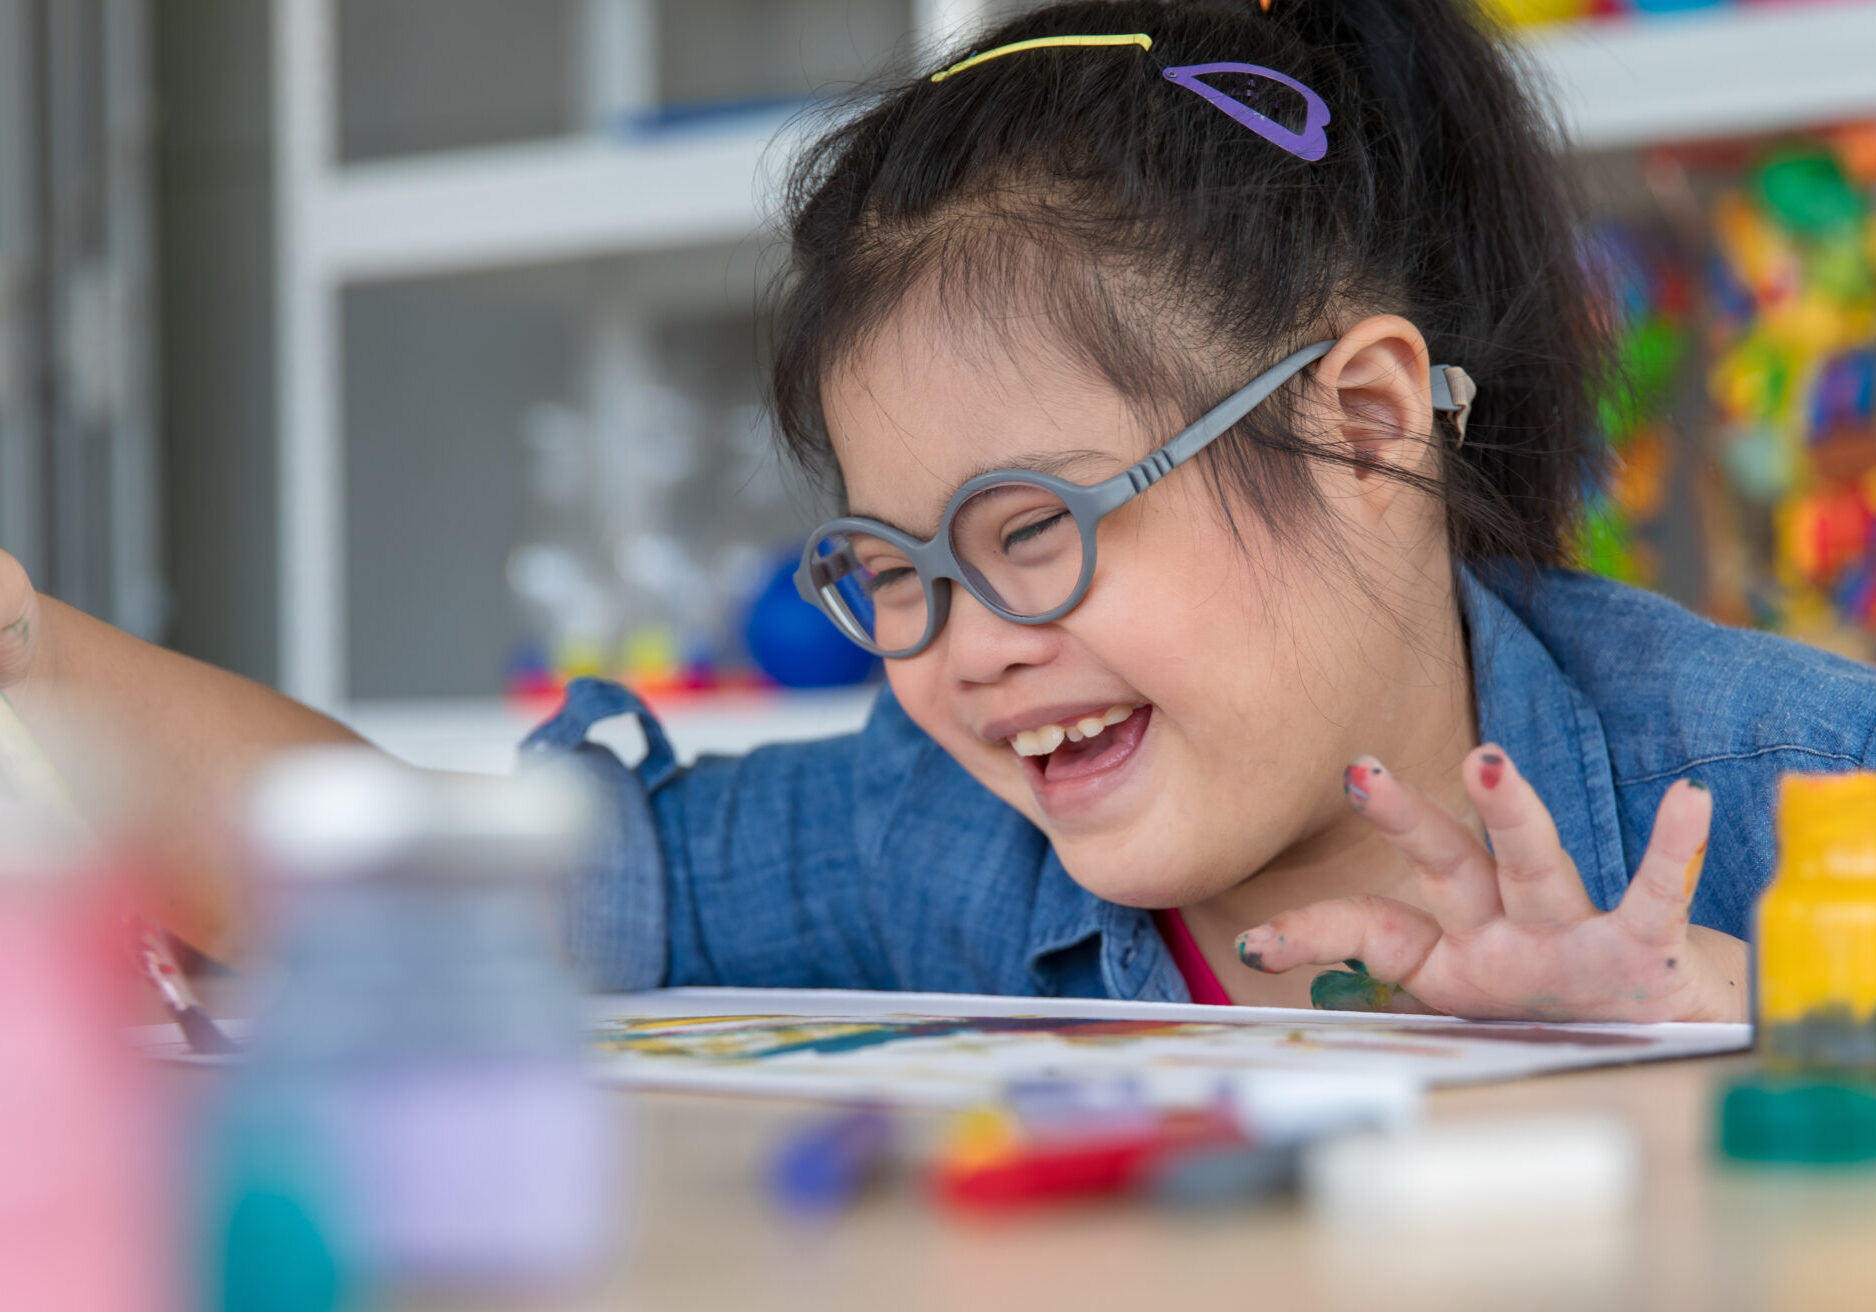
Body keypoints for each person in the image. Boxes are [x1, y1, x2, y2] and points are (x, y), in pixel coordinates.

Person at [6, 0, 1873, 1018]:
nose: (970, 652)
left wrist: (1737, 1029)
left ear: (1368, 422)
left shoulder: (1782, 782)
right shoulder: (947, 845)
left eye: (1034, 528)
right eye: (898, 568)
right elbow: (436, 888)